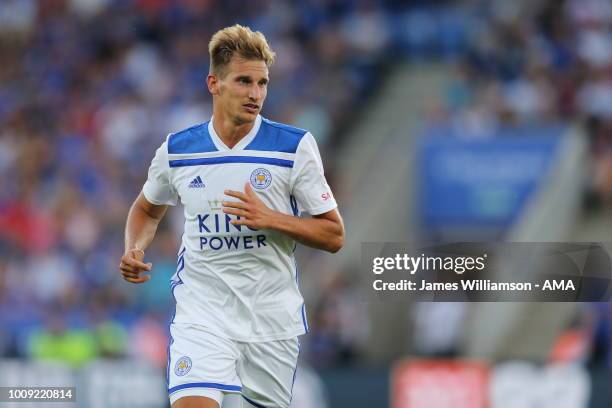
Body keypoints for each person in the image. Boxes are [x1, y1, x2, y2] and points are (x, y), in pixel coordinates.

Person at [119, 24, 344, 408]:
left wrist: (271, 218)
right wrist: (134, 247)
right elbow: (145, 209)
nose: (256, 94)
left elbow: (333, 234)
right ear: (214, 83)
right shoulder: (179, 150)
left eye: (262, 83)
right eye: (244, 81)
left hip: (270, 324)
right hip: (201, 315)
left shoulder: (293, 147)